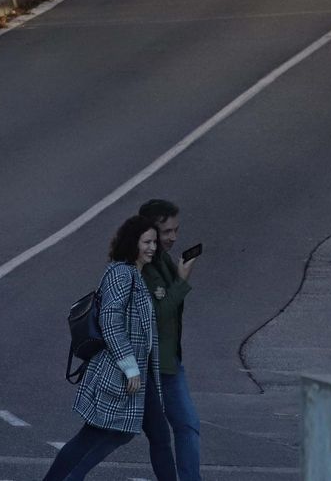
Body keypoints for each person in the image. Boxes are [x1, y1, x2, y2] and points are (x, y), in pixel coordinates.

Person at [42, 217, 176, 481]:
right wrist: (130, 367)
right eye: (146, 242)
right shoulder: (120, 273)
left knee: (157, 435)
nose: (152, 247)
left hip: (138, 374)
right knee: (92, 435)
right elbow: (110, 321)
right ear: (132, 243)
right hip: (120, 373)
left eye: (154, 242)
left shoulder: (135, 274)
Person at [138, 199, 202, 481]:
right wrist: (182, 282)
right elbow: (156, 315)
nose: (173, 237)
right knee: (110, 436)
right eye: (167, 232)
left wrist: (176, 279)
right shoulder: (144, 267)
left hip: (168, 362)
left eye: (176, 230)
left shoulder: (161, 260)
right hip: (149, 364)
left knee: (185, 426)